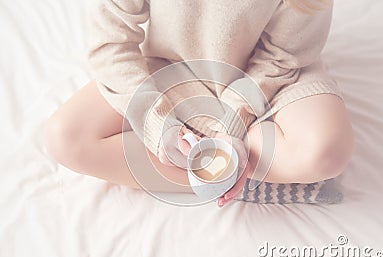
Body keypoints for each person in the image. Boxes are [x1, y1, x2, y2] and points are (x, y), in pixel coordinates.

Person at [44, 0, 354, 207]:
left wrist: (231, 123)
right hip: (174, 65)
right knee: (65, 138)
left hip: (269, 75)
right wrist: (158, 123)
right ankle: (237, 179)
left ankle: (230, 168)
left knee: (326, 153)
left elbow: (281, 56)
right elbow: (111, 42)